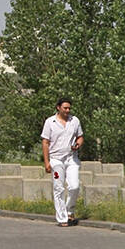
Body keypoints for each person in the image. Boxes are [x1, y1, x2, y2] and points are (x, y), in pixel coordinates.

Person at [42, 97, 83, 227]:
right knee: (58, 187)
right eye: (65, 108)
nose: (67, 110)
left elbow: (80, 137)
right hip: (56, 159)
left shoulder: (74, 121)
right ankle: (62, 217)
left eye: (69, 108)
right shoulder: (50, 122)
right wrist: (47, 162)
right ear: (58, 108)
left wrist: (77, 144)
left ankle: (70, 210)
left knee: (74, 186)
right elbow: (45, 142)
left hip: (71, 159)